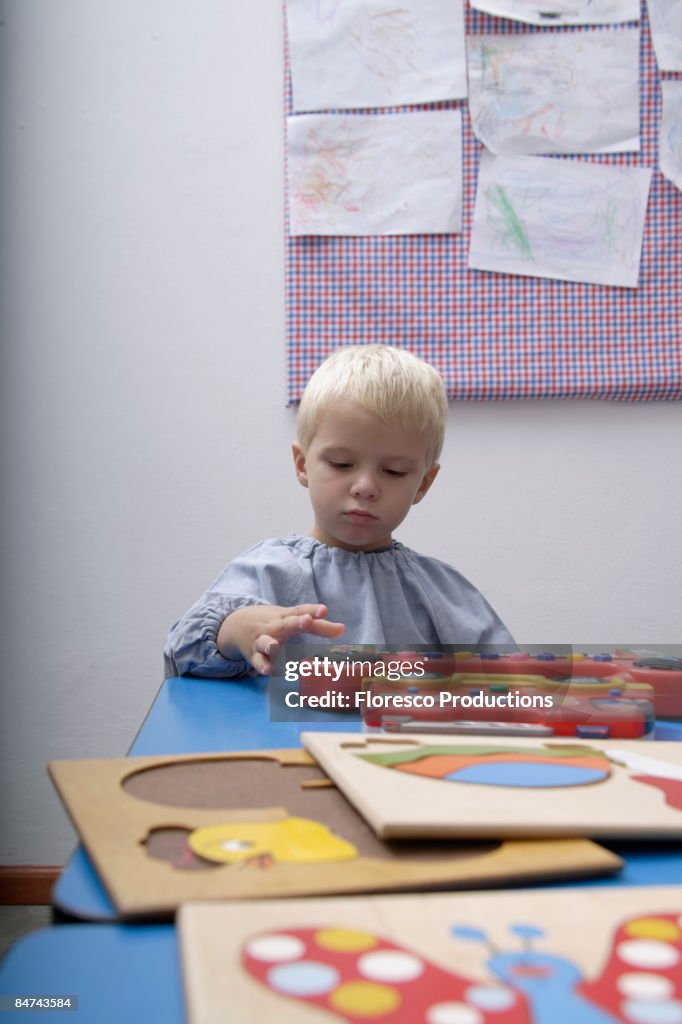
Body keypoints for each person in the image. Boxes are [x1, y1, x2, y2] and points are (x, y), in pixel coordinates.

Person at [164, 346, 513, 678]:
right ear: (303, 465)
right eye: (341, 463)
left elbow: (514, 680)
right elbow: (182, 653)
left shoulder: (439, 590)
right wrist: (237, 629)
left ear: (423, 483)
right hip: (287, 741)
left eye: (393, 472)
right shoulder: (268, 571)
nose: (365, 486)